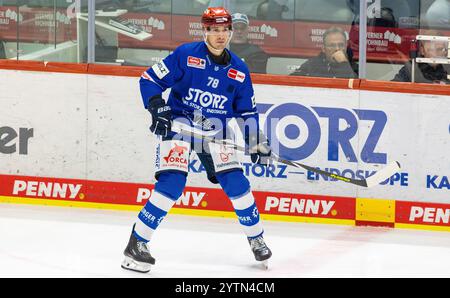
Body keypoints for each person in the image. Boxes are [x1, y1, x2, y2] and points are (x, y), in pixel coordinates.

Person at [121, 6, 273, 273]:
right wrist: (157, 106)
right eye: (215, 30)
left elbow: (247, 111)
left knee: (236, 183)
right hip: (180, 125)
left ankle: (256, 237)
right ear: (205, 30)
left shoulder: (239, 69)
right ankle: (137, 243)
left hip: (216, 130)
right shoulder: (186, 54)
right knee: (172, 183)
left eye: (225, 30)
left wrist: (255, 140)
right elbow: (149, 80)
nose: (220, 36)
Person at [290, 26, 358, 78]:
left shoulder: (354, 67)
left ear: (346, 46)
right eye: (332, 45)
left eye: (341, 45)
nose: (337, 49)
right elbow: (291, 81)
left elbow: (358, 89)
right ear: (323, 49)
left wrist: (344, 64)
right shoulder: (312, 65)